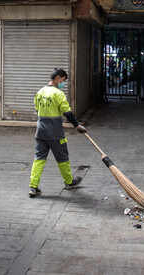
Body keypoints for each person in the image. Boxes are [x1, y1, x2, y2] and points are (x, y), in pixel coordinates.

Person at [28, 68, 87, 197]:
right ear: (58, 78)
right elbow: (67, 113)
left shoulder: (40, 92)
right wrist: (77, 126)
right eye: (63, 80)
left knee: (39, 158)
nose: (63, 83)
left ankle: (33, 187)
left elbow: (37, 110)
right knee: (62, 158)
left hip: (41, 132)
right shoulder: (58, 94)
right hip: (55, 132)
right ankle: (69, 182)